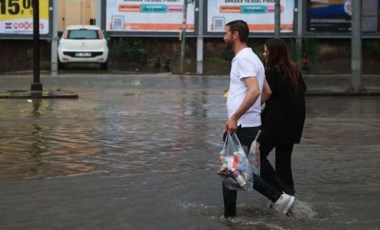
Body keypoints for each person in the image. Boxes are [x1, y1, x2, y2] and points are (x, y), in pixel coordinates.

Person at [222, 20, 295, 218]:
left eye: (226, 33)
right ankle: (230, 216)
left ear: (236, 35)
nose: (224, 37)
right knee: (231, 172)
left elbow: (255, 90)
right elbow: (267, 92)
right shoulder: (254, 58)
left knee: (231, 170)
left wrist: (235, 116)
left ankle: (278, 198)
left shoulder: (242, 60)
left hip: (241, 125)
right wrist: (252, 111)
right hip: (249, 123)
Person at [255, 38, 307, 197]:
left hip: (277, 123)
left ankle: (279, 191)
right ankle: (290, 196)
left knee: (256, 154)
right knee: (283, 161)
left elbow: (266, 94)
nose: (264, 53)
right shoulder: (294, 69)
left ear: (273, 53)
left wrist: (250, 108)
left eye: (265, 51)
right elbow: (303, 89)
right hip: (295, 124)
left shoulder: (272, 71)